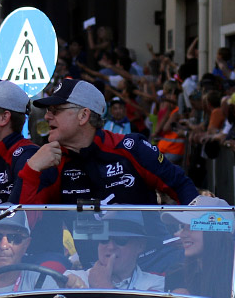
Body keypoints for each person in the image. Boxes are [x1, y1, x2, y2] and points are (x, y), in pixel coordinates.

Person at [15, 78, 199, 206]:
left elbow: (182, 186)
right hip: (87, 263)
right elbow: (24, 224)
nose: (47, 116)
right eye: (47, 110)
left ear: (83, 115)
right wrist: (31, 170)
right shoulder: (51, 161)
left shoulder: (131, 148)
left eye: (55, 110)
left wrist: (193, 230)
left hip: (149, 259)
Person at [65, 213, 164, 291]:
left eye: (121, 240)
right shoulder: (73, 279)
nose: (111, 247)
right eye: (104, 240)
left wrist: (103, 287)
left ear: (140, 246)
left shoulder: (157, 284)